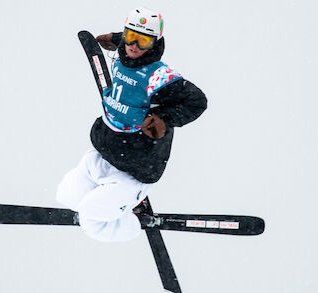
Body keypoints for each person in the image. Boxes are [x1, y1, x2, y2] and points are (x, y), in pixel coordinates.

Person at [56, 7, 207, 242]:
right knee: (67, 195)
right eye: (130, 37)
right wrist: (116, 38)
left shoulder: (158, 76)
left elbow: (197, 102)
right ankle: (110, 204)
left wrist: (164, 120)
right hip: (104, 152)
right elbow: (128, 42)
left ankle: (131, 220)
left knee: (91, 215)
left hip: (135, 165)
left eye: (143, 40)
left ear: (154, 43)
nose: (134, 46)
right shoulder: (120, 54)